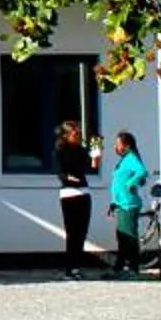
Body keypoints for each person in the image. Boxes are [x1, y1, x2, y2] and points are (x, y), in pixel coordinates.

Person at [54, 118, 96, 276]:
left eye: (78, 132)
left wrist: (96, 155)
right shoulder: (59, 151)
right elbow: (60, 172)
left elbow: (92, 167)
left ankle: (77, 266)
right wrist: (69, 178)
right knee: (72, 232)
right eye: (74, 132)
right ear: (66, 135)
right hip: (69, 194)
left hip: (84, 192)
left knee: (82, 232)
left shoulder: (81, 149)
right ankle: (70, 268)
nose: (78, 135)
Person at [106, 130, 151, 276]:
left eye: (118, 144)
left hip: (128, 203)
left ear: (127, 146)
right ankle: (120, 267)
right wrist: (113, 203)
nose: (115, 147)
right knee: (122, 236)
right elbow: (117, 183)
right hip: (121, 203)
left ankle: (132, 268)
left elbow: (142, 172)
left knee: (129, 236)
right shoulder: (123, 160)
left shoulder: (131, 158)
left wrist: (130, 183)